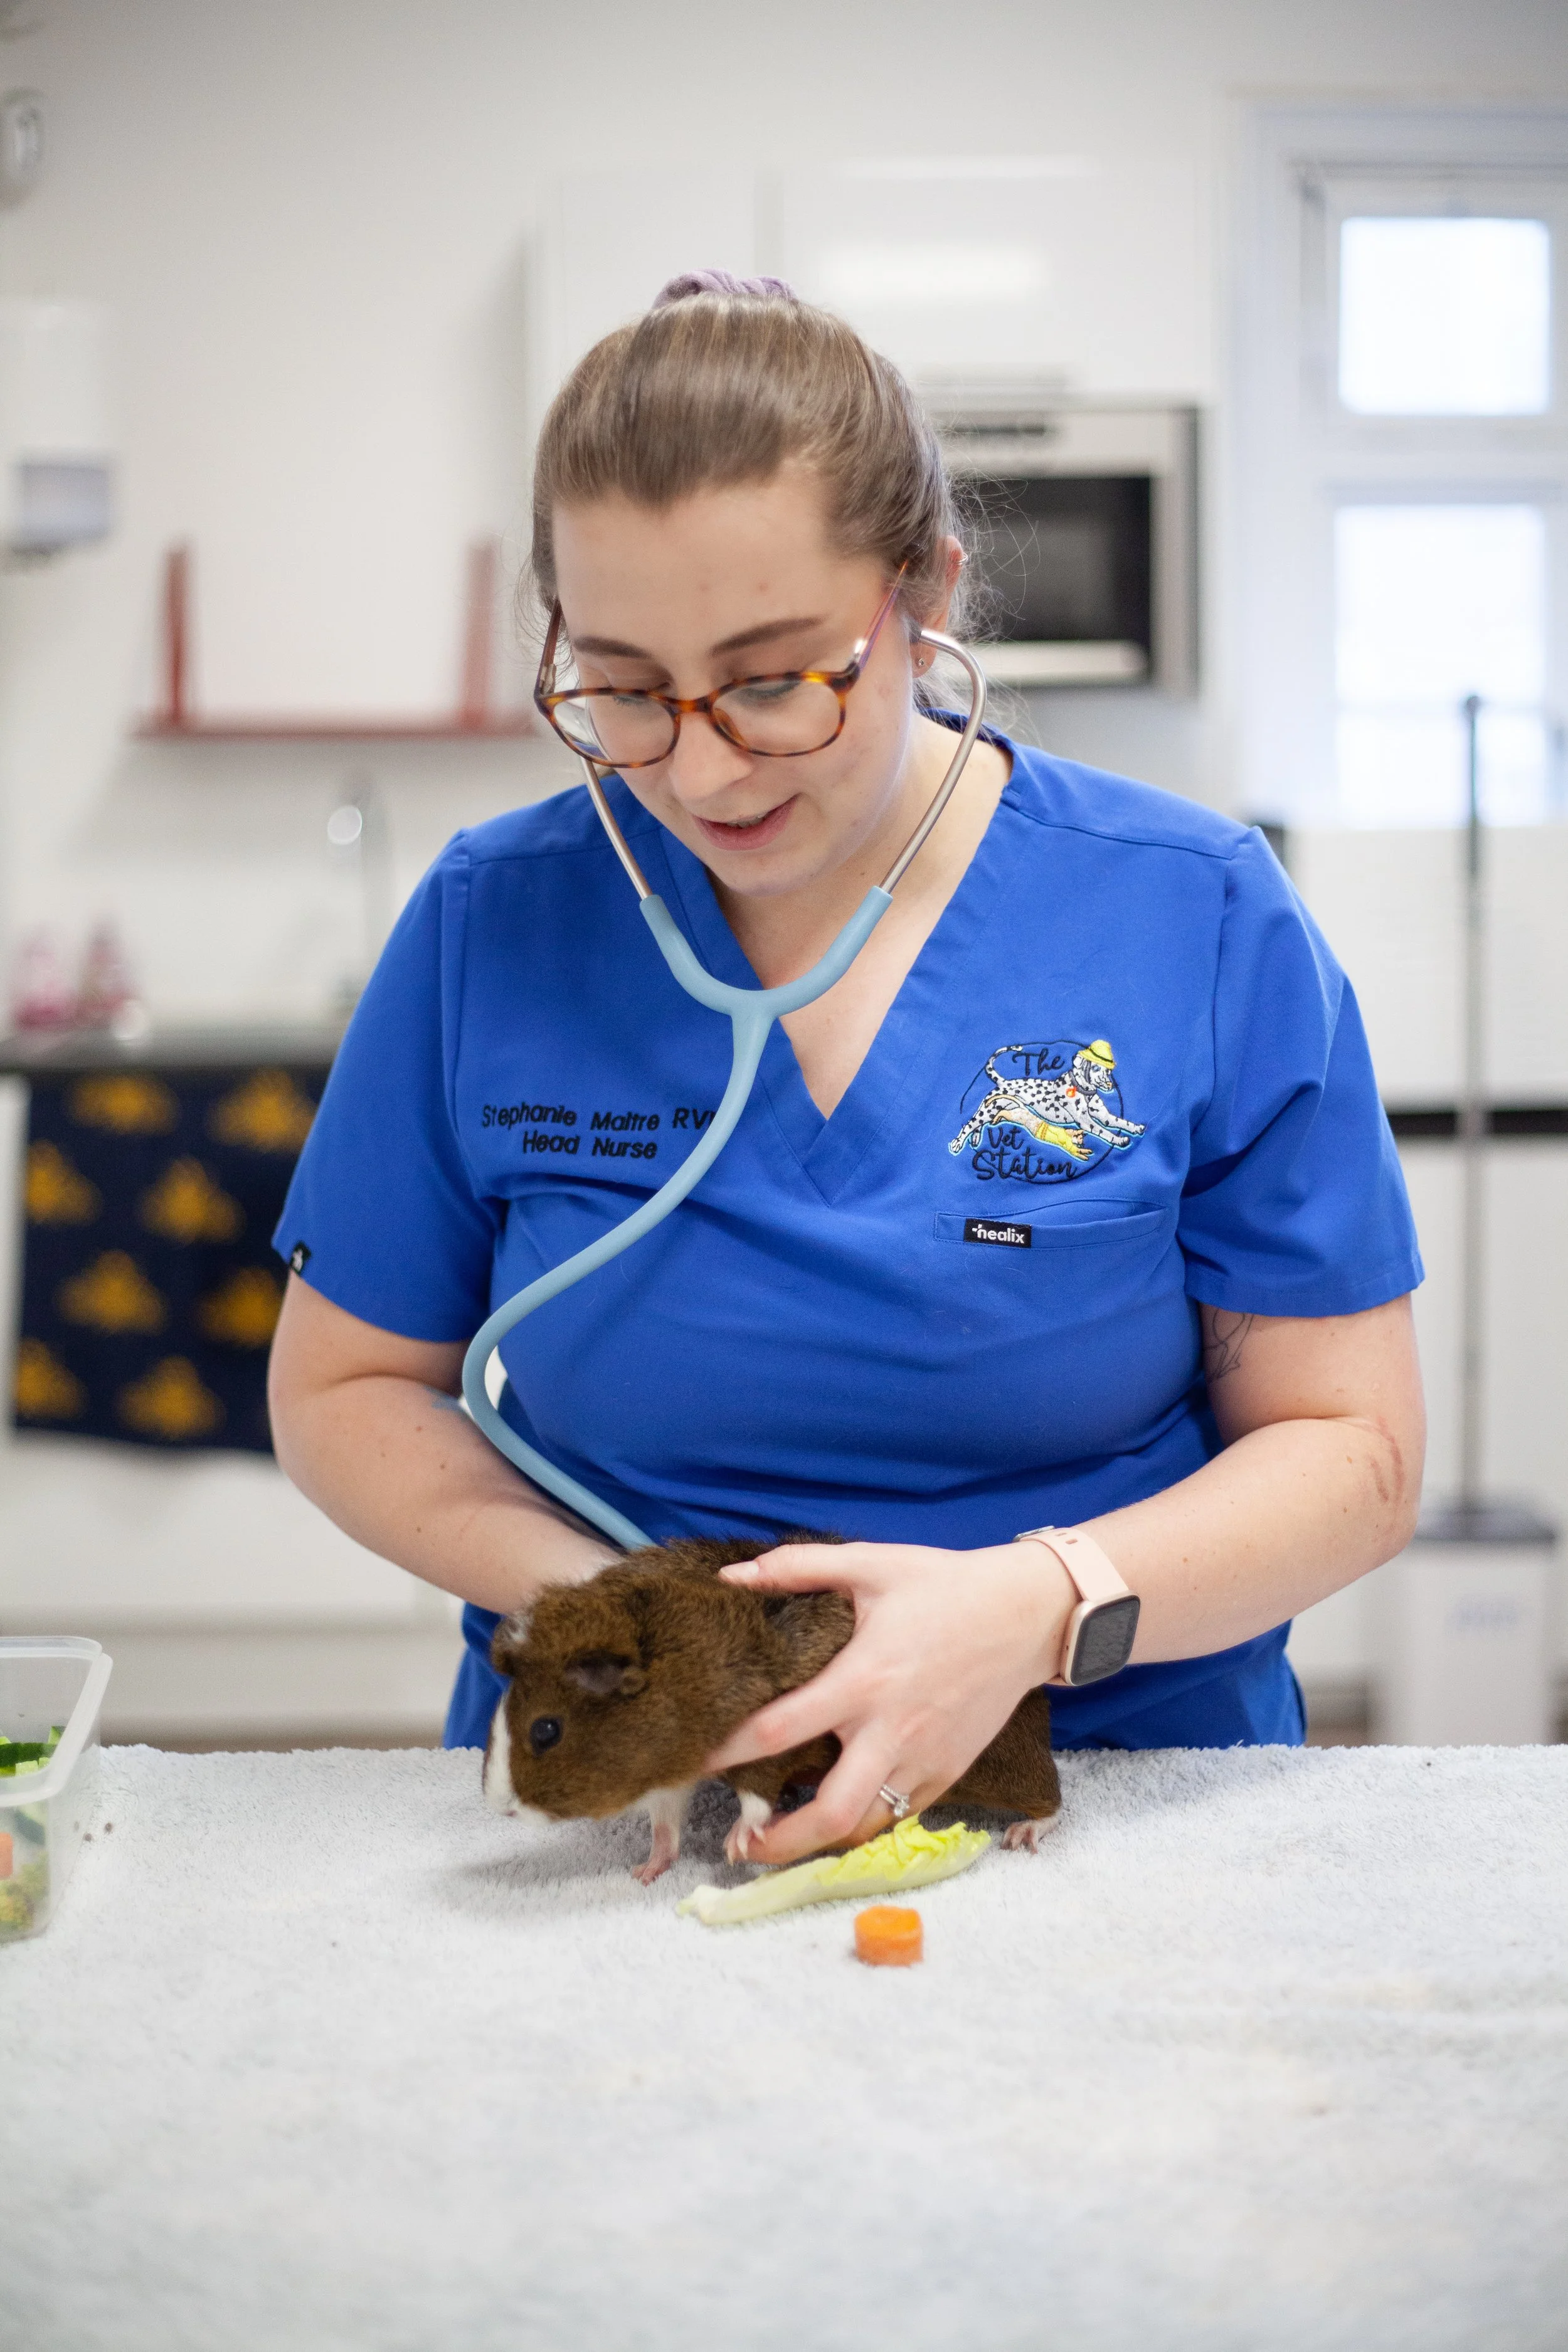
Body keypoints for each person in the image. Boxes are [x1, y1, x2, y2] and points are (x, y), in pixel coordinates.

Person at [267, 272, 1426, 1867]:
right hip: (629, 1797)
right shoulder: (496, 920)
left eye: (771, 678)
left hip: (1109, 1787)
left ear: (923, 590)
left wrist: (1030, 1608)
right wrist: (619, 1640)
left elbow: (1349, 1456)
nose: (698, 763)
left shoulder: (1194, 916)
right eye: (618, 686)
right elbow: (342, 1388)